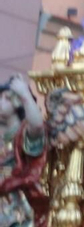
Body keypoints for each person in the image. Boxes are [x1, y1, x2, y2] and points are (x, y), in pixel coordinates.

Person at [0, 77, 46, 227]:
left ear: (17, 103)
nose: (0, 102)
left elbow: (37, 126)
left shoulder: (22, 133)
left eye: (5, 98)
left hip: (15, 206)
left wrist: (24, 93)